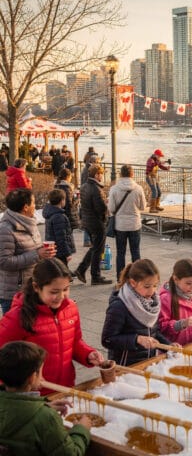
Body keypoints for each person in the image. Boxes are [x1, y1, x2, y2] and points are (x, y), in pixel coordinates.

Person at [0, 258, 104, 394]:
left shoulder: (70, 308)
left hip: (64, 388)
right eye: (54, 292)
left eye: (66, 289)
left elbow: (74, 342)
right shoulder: (17, 317)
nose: (61, 296)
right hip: (32, 396)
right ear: (37, 287)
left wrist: (88, 354)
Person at [0, 341, 92, 456]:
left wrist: (42, 407)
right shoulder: (46, 418)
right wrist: (81, 429)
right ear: (32, 377)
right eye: (41, 372)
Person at [101, 259, 173, 366]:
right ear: (133, 283)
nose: (152, 291)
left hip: (148, 363)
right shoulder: (119, 306)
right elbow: (107, 339)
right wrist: (136, 340)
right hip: (125, 366)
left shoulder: (153, 304)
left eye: (155, 285)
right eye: (147, 286)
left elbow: (154, 333)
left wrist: (169, 346)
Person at [0, 189, 56, 314]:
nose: (35, 206)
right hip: (14, 293)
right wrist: (37, 254)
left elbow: (29, 249)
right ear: (25, 207)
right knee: (15, 331)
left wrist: (43, 251)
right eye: (33, 203)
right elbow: (4, 261)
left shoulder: (29, 222)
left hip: (32, 287)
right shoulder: (6, 229)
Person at [74, 164, 112, 286]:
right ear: (96, 175)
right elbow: (100, 208)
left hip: (87, 221)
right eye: (101, 174)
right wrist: (106, 205)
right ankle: (95, 276)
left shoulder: (85, 186)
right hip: (96, 222)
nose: (102, 176)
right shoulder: (96, 188)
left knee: (95, 247)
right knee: (98, 249)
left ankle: (81, 269)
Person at [107, 164, 147, 281]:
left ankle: (121, 278)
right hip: (135, 224)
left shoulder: (114, 188)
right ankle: (138, 278)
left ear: (120, 174)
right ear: (132, 174)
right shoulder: (138, 188)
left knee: (120, 253)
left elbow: (112, 208)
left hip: (120, 225)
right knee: (135, 252)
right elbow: (143, 206)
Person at [159, 258, 192, 345]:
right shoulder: (165, 299)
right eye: (188, 283)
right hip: (172, 349)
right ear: (176, 279)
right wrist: (181, 324)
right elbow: (161, 327)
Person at [42, 189, 76, 269]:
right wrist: (67, 253)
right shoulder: (59, 216)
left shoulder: (50, 214)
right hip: (60, 252)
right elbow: (62, 238)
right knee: (62, 272)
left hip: (54, 249)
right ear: (62, 201)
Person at [145, 149, 170, 213]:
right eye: (159, 156)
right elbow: (152, 165)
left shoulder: (156, 160)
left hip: (154, 177)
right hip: (150, 177)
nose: (160, 157)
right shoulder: (150, 160)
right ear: (155, 155)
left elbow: (160, 166)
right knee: (154, 191)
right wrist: (159, 162)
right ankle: (152, 208)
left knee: (159, 191)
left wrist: (166, 168)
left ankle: (157, 206)